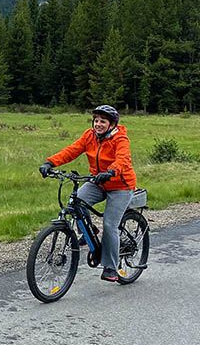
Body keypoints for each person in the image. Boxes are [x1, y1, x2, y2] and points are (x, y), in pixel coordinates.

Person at [39, 104, 137, 283]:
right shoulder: (89, 136)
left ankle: (110, 267)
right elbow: (71, 150)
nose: (98, 124)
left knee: (110, 225)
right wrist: (50, 163)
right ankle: (89, 230)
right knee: (77, 201)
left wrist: (111, 171)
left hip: (120, 186)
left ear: (112, 124)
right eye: (96, 120)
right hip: (98, 182)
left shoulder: (120, 138)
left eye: (103, 121)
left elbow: (123, 159)